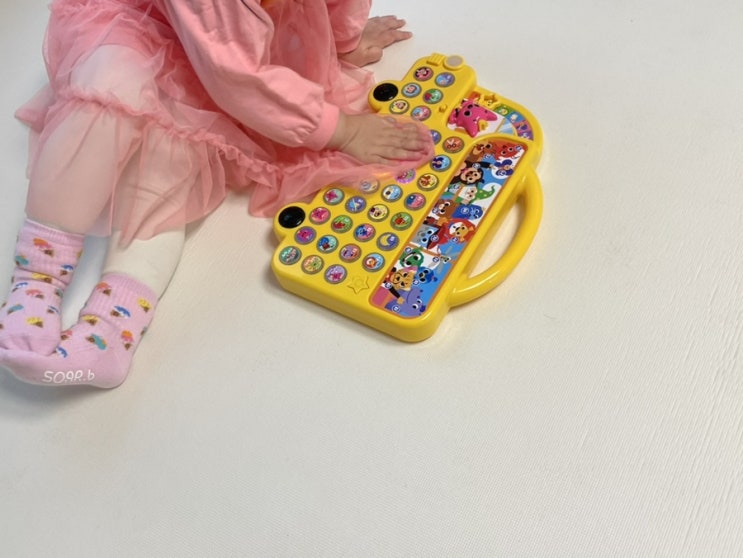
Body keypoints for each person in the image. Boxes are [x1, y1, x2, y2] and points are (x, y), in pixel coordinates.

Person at [0, 0, 434, 388]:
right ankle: (38, 278)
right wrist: (342, 129)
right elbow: (234, 74)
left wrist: (341, 39)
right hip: (138, 26)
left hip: (234, 44)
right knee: (109, 95)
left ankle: (111, 330)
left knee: (172, 167)